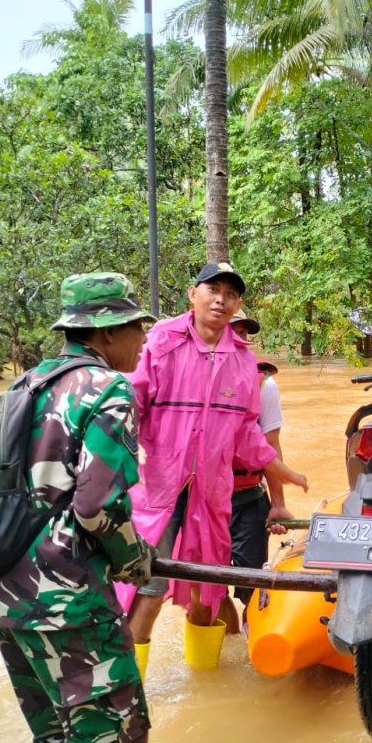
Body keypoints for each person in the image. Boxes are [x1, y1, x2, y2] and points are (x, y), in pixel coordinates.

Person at [0, 272, 155, 743]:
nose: (143, 339)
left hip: (7, 600)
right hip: (69, 603)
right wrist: (133, 562)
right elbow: (96, 506)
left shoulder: (20, 387)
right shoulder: (108, 388)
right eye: (136, 327)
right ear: (107, 330)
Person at [119, 263, 308, 665]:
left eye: (231, 294)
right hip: (159, 489)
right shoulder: (159, 342)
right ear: (193, 293)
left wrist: (282, 472)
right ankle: (126, 697)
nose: (221, 299)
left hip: (213, 491)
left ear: (238, 303)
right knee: (148, 592)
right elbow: (130, 405)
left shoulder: (242, 360)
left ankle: (203, 683)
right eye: (213, 289)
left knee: (209, 590)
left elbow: (247, 432)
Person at [228, 310, 294, 619]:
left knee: (251, 592)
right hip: (203, 501)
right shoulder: (190, 375)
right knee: (203, 595)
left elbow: (271, 446)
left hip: (248, 497)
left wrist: (277, 504)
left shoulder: (263, 384)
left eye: (244, 334)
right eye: (232, 331)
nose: (239, 340)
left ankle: (249, 657)